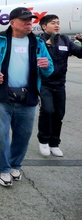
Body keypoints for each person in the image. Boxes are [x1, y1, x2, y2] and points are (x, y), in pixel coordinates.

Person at [0, 7, 53, 187]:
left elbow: (49, 69)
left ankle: (15, 164)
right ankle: (3, 169)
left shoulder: (38, 43)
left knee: (23, 135)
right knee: (1, 135)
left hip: (28, 96)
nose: (30, 23)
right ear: (12, 23)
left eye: (31, 20)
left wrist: (45, 66)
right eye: (25, 20)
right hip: (3, 95)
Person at [37, 15, 82, 157]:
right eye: (52, 23)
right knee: (48, 110)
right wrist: (47, 44)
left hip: (60, 84)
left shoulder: (65, 40)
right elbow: (34, 56)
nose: (57, 25)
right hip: (45, 83)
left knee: (59, 113)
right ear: (44, 26)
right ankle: (43, 141)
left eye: (58, 23)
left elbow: (79, 53)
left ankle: (54, 143)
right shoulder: (39, 40)